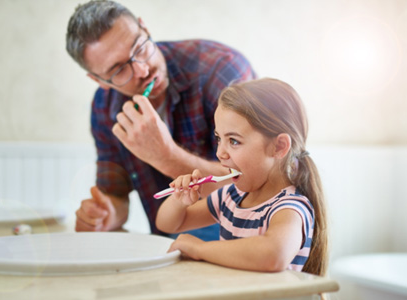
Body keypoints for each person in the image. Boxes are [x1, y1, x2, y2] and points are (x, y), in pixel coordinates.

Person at [65, 0, 256, 239]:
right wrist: (105, 215)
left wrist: (165, 156)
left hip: (245, 244)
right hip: (169, 249)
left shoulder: (221, 70)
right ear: (99, 81)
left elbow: (253, 181)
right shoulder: (104, 107)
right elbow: (116, 196)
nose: (143, 70)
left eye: (139, 48)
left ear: (145, 28)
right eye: (119, 70)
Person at [156, 78, 328, 276]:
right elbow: (169, 224)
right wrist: (179, 201)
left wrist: (200, 249)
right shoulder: (230, 197)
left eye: (234, 141)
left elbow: (273, 254)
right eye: (219, 138)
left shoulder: (289, 207)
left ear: (279, 146)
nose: (220, 153)